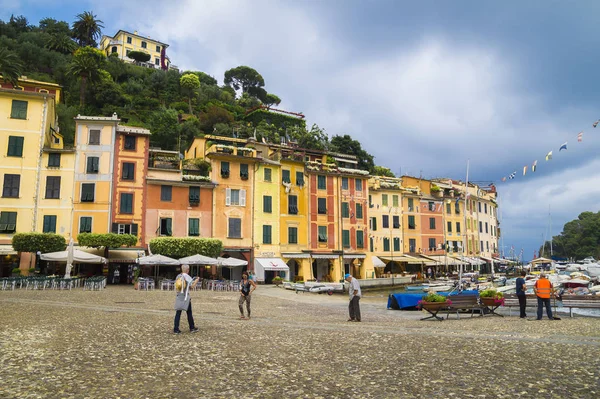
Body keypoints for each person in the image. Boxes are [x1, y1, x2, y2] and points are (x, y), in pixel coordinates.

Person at [173, 265, 200, 334]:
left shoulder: (178, 276)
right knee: (189, 313)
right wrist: (197, 280)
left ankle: (176, 329)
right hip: (185, 297)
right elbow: (192, 286)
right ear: (187, 270)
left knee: (178, 313)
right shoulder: (187, 276)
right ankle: (192, 327)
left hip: (179, 296)